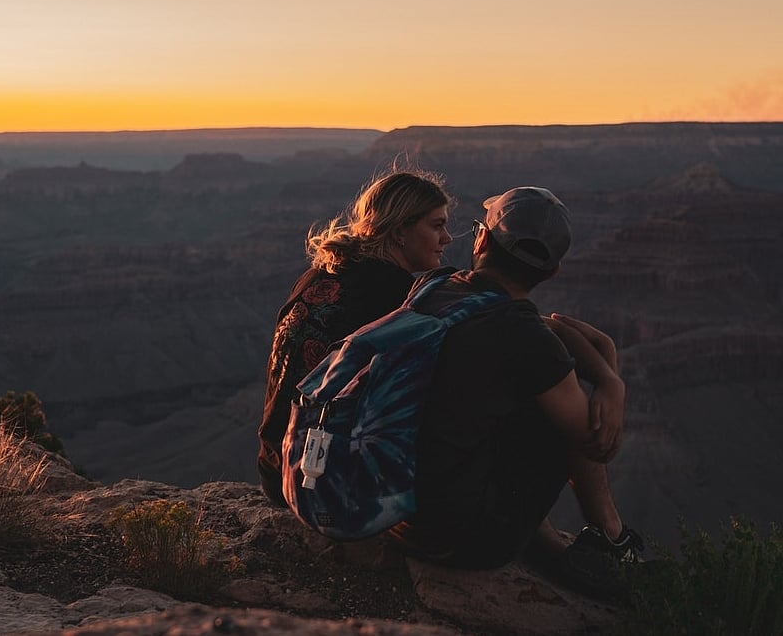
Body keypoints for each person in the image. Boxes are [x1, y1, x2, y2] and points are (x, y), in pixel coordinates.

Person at [387, 185, 642, 597]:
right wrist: (609, 372)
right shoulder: (524, 338)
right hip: (456, 542)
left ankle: (575, 540)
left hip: (394, 514)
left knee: (534, 396)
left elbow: (539, 326)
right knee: (562, 412)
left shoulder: (435, 286)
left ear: (481, 240)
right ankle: (612, 539)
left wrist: (605, 375)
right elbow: (597, 443)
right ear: (552, 272)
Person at [258, 167, 456, 507]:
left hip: (277, 471)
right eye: (437, 225)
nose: (447, 238)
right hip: (326, 484)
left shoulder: (318, 274)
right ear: (400, 231)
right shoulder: (397, 297)